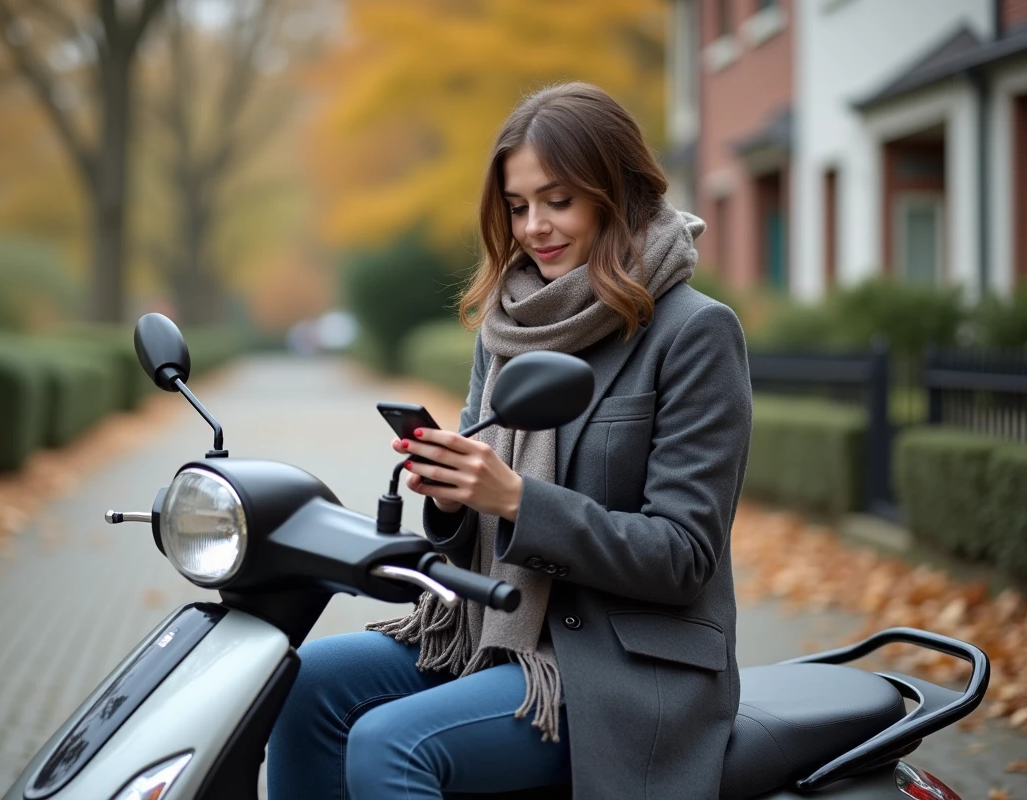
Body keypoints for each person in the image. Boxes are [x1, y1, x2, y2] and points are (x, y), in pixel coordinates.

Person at [266, 81, 752, 800]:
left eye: (558, 201)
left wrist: (521, 500)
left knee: (391, 743)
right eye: (518, 206)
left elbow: (682, 556)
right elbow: (469, 540)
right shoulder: (510, 326)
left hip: (621, 666)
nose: (534, 228)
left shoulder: (693, 332)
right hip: (489, 627)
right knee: (301, 685)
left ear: (617, 193)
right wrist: (456, 496)